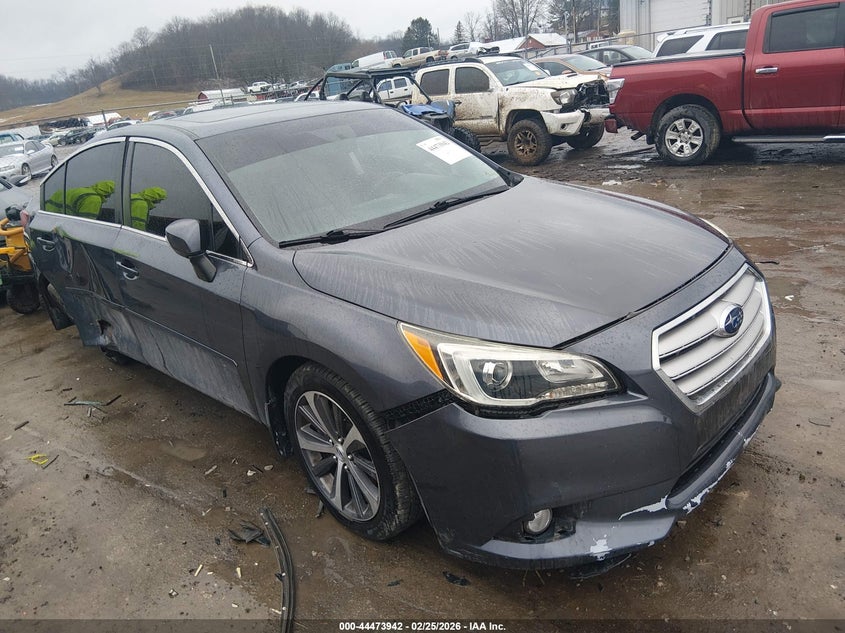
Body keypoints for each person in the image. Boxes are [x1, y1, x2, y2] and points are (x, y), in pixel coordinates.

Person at [45, 180, 115, 219]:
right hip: (54, 218)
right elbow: (86, 224)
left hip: (48, 212)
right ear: (108, 192)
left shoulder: (86, 191)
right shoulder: (94, 200)